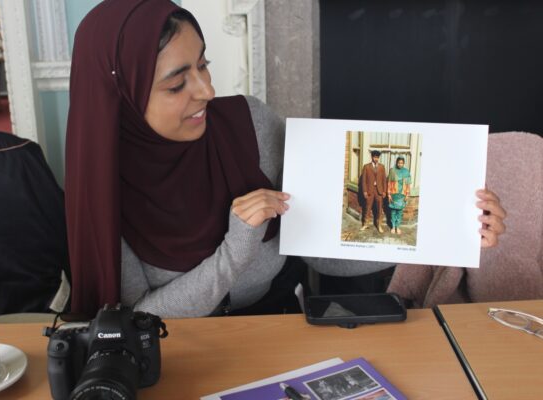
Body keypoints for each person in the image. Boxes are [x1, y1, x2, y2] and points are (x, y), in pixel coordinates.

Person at [65, 0, 507, 319]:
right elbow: (140, 317)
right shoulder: (101, 191)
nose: (206, 91)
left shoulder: (249, 124)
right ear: (121, 101)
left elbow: (325, 249)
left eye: (205, 65)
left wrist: (450, 232)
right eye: (177, 84)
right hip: (174, 351)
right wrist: (237, 247)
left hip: (279, 323)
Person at [360, 150, 387, 233]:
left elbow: (384, 180)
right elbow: (363, 181)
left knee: (379, 209)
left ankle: (379, 225)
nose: (376, 159)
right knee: (367, 208)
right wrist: (364, 191)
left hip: (379, 191)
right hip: (369, 191)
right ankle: (365, 224)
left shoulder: (382, 167)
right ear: (372, 157)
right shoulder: (366, 167)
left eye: (377, 157)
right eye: (374, 157)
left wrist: (384, 191)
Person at [387, 156, 411, 234]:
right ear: (396, 163)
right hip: (394, 194)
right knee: (393, 211)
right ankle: (393, 227)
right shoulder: (392, 171)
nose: (400, 164)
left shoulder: (406, 172)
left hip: (402, 195)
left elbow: (408, 185)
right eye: (399, 162)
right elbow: (389, 183)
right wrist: (389, 194)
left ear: (403, 163)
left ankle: (398, 227)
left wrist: (407, 194)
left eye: (402, 163)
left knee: (400, 212)